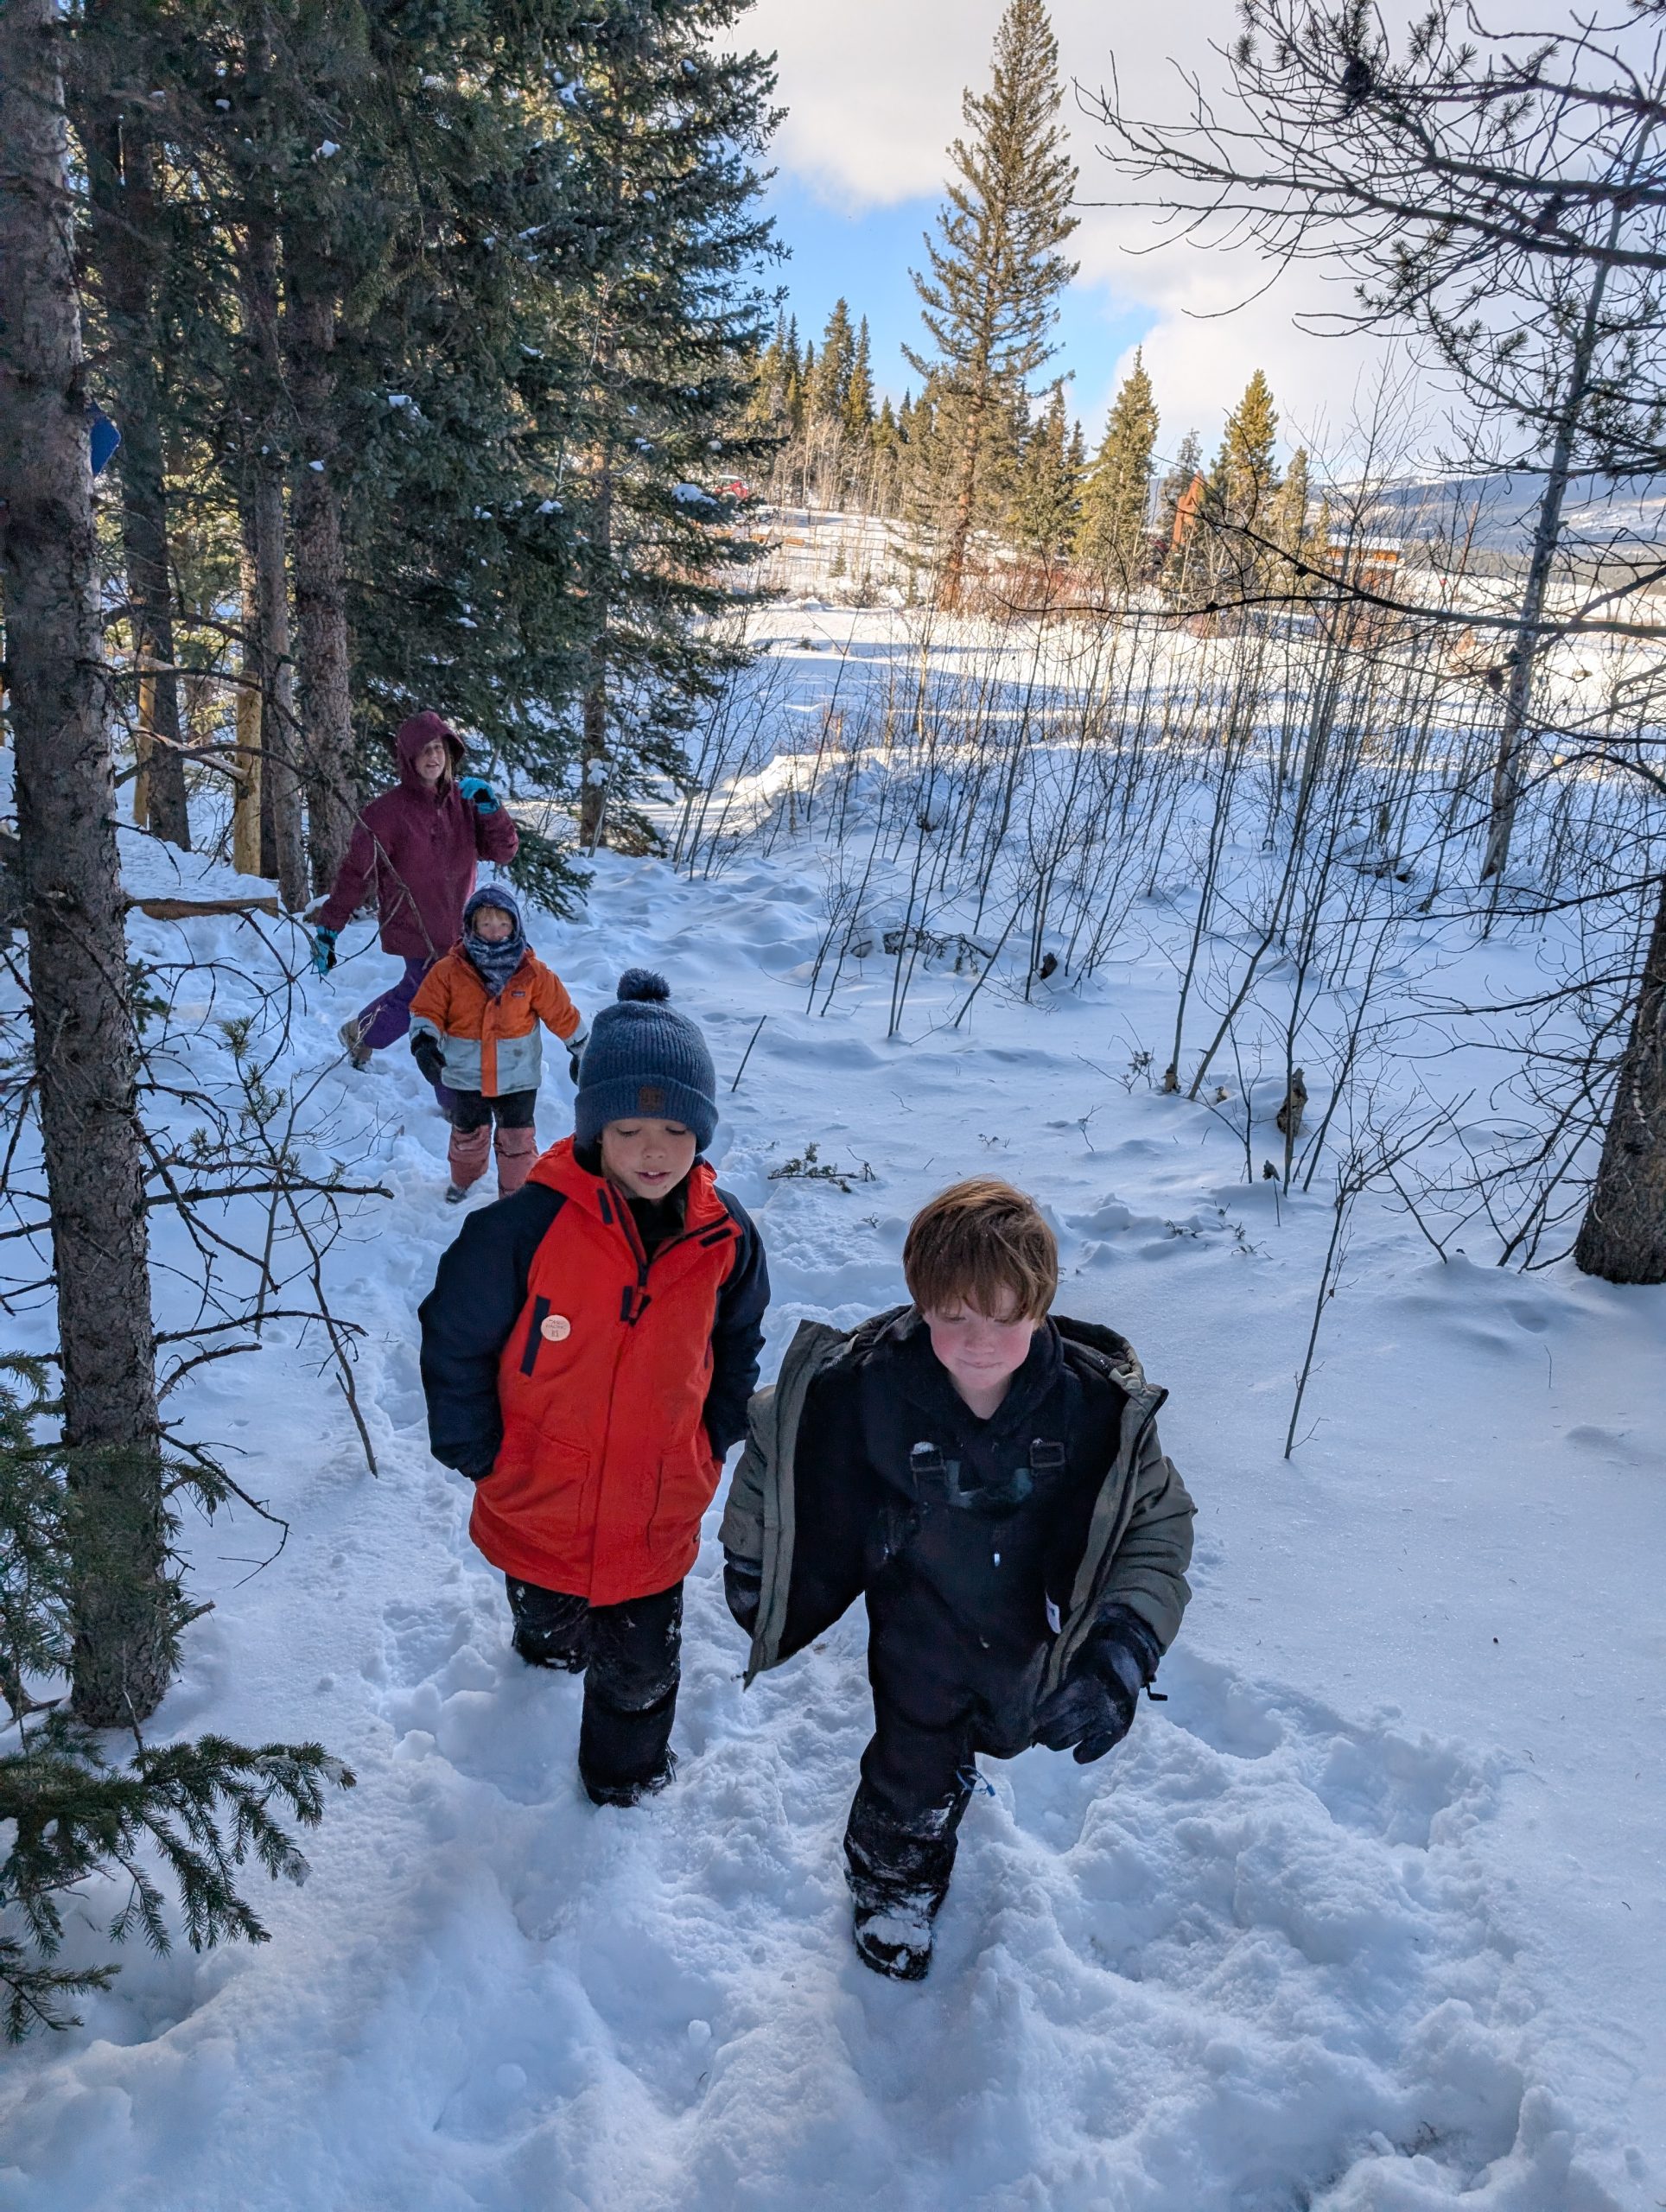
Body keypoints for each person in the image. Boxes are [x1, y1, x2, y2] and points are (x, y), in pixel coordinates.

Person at [719, 1177, 1194, 1982]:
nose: (979, 1342)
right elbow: (779, 1437)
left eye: (1006, 1318)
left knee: (1007, 1723)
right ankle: (893, 1879)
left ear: (1041, 1307)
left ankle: (974, 1760)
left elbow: (1154, 1522)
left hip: (1034, 1621)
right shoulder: (870, 1385)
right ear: (920, 1303)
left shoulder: (1090, 1407)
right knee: (917, 1755)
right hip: (921, 1611)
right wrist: (753, 1557)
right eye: (954, 1317)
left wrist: (1124, 1644)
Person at [417, 969, 769, 1808]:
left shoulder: (724, 1237)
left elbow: (738, 1337)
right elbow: (456, 1332)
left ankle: (624, 1780)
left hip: (654, 1499)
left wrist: (713, 1431)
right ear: (590, 1132)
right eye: (628, 1127)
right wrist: (478, 1448)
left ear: (701, 1132)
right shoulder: (528, 1224)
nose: (653, 1150)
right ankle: (544, 1645)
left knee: (641, 1667)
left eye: (674, 1129)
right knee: (547, 1605)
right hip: (539, 1486)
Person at [310, 709, 518, 1094]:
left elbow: (502, 851)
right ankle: (455, 1097)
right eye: (423, 752)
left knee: (415, 996)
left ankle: (362, 1033)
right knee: (443, 1007)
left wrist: (491, 809)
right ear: (408, 759)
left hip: (460, 927)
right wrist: (330, 926)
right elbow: (356, 873)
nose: (433, 758)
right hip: (413, 927)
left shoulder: (466, 800)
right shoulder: (386, 813)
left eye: (438, 749)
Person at [409, 887, 588, 1204]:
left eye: (502, 924)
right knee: (468, 1136)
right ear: (471, 927)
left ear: (515, 927)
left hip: (517, 1076)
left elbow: (562, 1013)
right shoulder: (449, 972)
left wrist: (582, 1048)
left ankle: (515, 1197)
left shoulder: (532, 973)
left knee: (517, 1140)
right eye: (486, 925)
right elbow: (427, 1009)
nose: (495, 932)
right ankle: (467, 1185)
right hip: (465, 1075)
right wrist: (424, 1041)